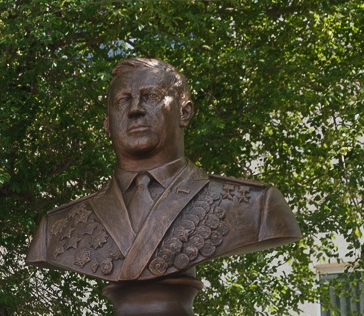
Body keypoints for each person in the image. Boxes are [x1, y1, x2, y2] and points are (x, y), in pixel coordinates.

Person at [28, 57, 299, 283]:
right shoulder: (58, 228)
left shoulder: (256, 207)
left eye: (151, 97)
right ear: (107, 124)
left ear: (185, 112)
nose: (135, 110)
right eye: (123, 101)